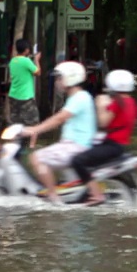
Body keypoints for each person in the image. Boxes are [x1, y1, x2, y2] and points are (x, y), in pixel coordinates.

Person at [21, 62, 96, 203]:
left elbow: (59, 119)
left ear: (70, 78)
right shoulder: (79, 97)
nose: (57, 82)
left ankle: (53, 199)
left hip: (76, 147)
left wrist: (35, 129)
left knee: (36, 158)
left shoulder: (79, 98)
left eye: (59, 78)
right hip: (76, 145)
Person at [70, 70, 137, 206]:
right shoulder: (131, 102)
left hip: (112, 145)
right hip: (119, 145)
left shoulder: (117, 102)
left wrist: (100, 106)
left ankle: (96, 195)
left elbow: (103, 122)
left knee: (77, 161)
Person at [8, 39, 41, 126]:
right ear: (26, 50)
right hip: (25, 96)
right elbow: (38, 72)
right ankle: (32, 140)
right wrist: (37, 60)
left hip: (13, 95)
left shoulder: (12, 61)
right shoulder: (26, 61)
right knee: (34, 122)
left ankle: (16, 139)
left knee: (16, 122)